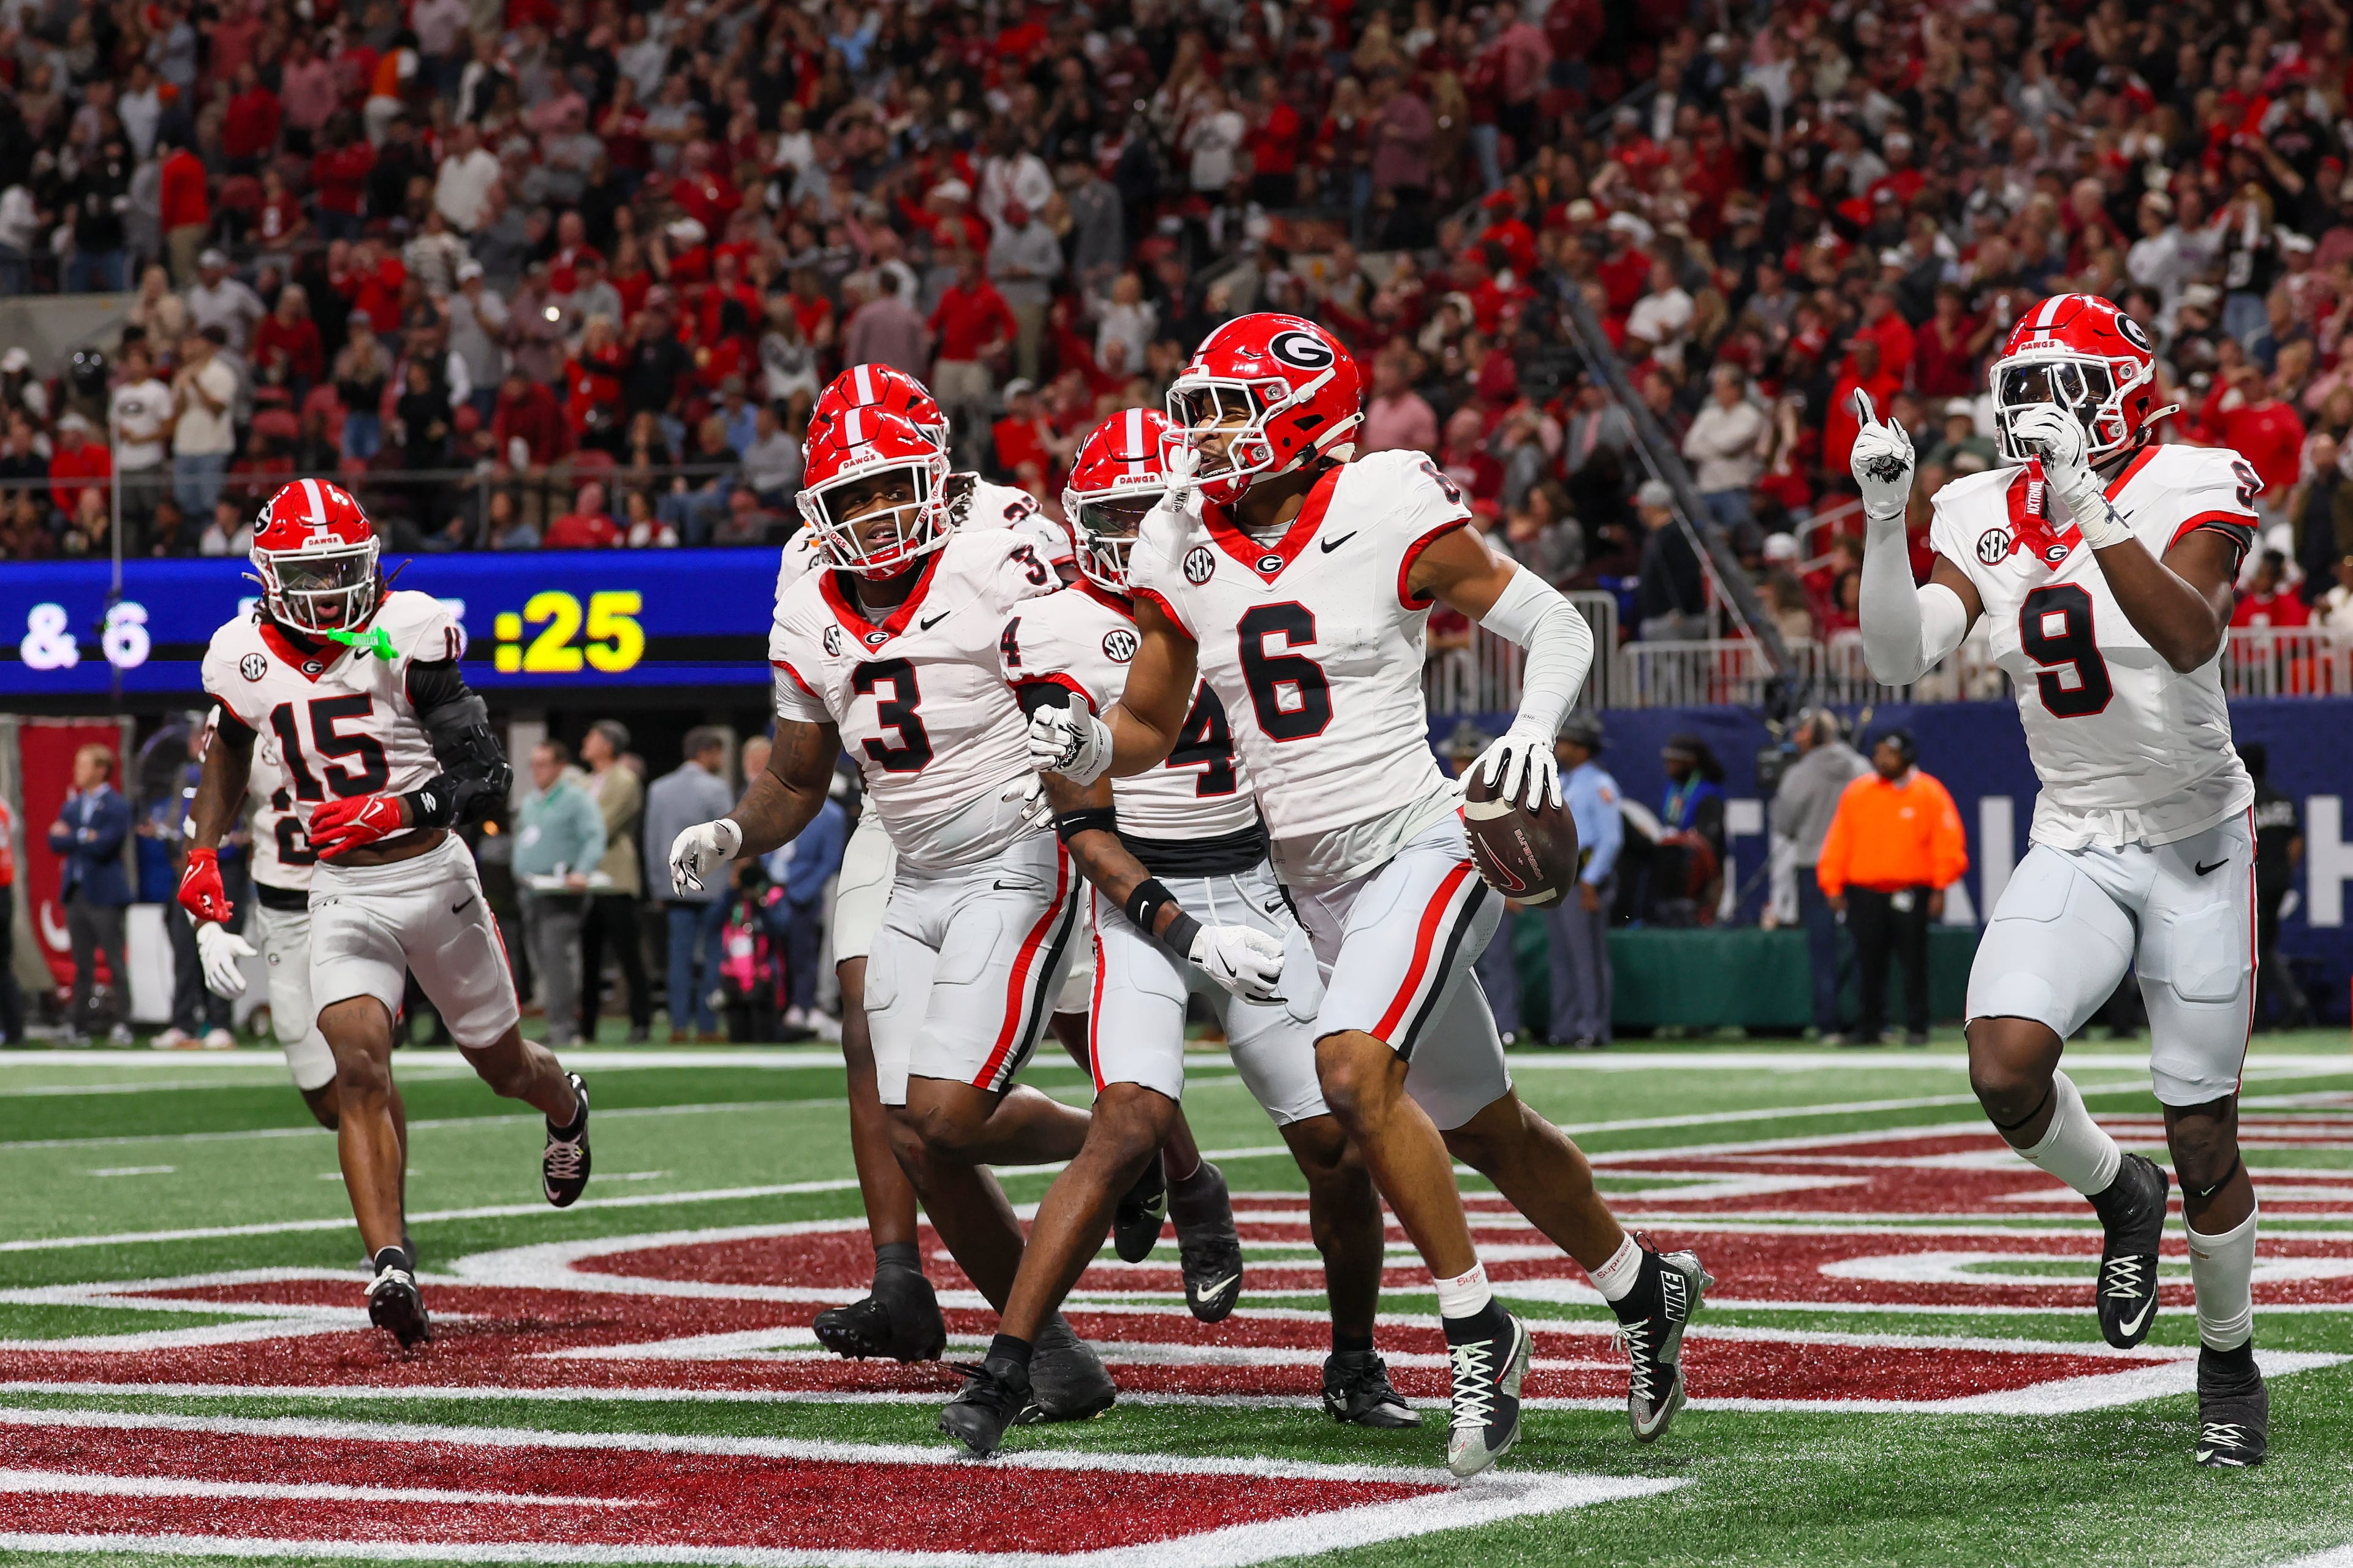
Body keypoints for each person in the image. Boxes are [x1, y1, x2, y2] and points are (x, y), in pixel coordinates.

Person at [1031, 313, 1709, 1475]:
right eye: (1197, 409)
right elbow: (1147, 722)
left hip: (1423, 840)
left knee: (1352, 1073)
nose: (1202, 436)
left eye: (1227, 411)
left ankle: (1477, 1326)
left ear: (1305, 417)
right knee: (1481, 1124)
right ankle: (1646, 1286)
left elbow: (1549, 618)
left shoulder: (1386, 499)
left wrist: (1533, 730)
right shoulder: (1179, 540)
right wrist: (1085, 734)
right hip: (1315, 886)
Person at [940, 409, 1414, 1454]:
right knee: (1124, 1124)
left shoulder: (1248, 580)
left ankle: (1354, 1359)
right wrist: (1184, 933)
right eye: (1105, 515)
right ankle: (1006, 1366)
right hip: (1141, 905)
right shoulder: (1056, 623)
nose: (1122, 537)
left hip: (1257, 886)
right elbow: (1084, 823)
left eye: (1143, 512)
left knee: (1337, 1145)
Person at [1852, 292, 2273, 1465]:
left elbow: (2191, 633)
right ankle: (2115, 1192)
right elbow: (1897, 655)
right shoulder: (1980, 504)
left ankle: (2230, 1359)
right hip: (2079, 831)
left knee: (2205, 1135)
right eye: (2023, 385)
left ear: (2125, 394)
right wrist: (1885, 521)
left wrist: (2091, 510)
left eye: (2062, 384)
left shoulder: (2200, 475)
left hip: (2197, 840)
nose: (2035, 409)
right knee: (2002, 1064)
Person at [668, 407, 1118, 1425]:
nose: (875, 513)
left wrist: (1079, 717)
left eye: (890, 485)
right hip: (913, 861)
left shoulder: (1004, 544)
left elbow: (1107, 660)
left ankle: (1127, 1146)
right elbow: (795, 773)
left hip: (1018, 840)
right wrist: (735, 833)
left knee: (949, 1112)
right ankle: (1053, 1350)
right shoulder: (805, 592)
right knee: (912, 1127)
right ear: (816, 509)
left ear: (941, 475)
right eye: (853, 496)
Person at [182, 479, 589, 1350]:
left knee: (504, 1065)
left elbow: (486, 776)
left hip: (432, 872)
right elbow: (227, 752)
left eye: (341, 568)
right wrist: (198, 857)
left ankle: (566, 1104)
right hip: (342, 889)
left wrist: (398, 810)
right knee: (359, 1064)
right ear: (269, 577)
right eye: (311, 571)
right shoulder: (243, 654)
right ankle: (391, 1264)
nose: (330, 589)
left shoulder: (400, 628)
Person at [1813, 730, 1967, 1047]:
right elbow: (1839, 840)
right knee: (1868, 963)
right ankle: (1869, 1026)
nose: (1882, 759)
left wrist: (1940, 887)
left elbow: (1947, 843)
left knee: (1913, 962)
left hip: (1911, 890)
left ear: (1907, 757)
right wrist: (1832, 884)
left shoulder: (1929, 793)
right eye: (1879, 753)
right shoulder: (1858, 792)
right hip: (1865, 892)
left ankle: (1917, 1026)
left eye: (1890, 753)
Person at [1771, 711, 1870, 1042]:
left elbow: (1784, 823)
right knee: (1862, 946)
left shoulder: (1800, 774)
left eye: (1801, 731)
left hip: (1815, 864)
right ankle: (1866, 1020)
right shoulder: (1860, 766)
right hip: (1857, 865)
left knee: (1822, 948)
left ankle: (1828, 1023)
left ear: (1814, 735)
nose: (1796, 737)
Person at [643, 729, 735, 1042]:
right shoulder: (717, 789)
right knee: (710, 957)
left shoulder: (659, 789)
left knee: (678, 959)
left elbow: (652, 843)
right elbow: (725, 840)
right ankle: (707, 1027)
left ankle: (678, 1026)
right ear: (707, 752)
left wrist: (657, 886)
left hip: (674, 887)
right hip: (711, 888)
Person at [514, 740, 605, 1050]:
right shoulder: (531, 802)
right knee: (541, 964)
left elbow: (595, 837)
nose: (537, 770)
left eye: (543, 764)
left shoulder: (575, 800)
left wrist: (582, 870)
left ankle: (565, 1027)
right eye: (533, 764)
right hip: (531, 893)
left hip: (560, 893)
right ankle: (555, 1024)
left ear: (559, 766)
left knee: (559, 962)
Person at [1546, 712, 1622, 1051]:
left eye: (1567, 742)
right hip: (1562, 879)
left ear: (1582, 749)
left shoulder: (1598, 785)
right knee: (1562, 957)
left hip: (1585, 879)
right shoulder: (1566, 782)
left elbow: (1611, 839)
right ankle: (1565, 1026)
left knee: (1586, 958)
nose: (1560, 747)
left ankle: (1593, 1027)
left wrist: (1592, 880)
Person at [49, 744, 132, 1045]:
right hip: (77, 892)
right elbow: (54, 842)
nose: (77, 771)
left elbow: (105, 845)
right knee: (81, 965)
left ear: (101, 770)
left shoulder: (116, 806)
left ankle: (123, 1023)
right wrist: (84, 836)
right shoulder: (73, 805)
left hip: (106, 894)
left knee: (114, 961)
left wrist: (74, 837)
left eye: (84, 765)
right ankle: (78, 1025)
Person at [760, 765, 849, 1040]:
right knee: (770, 951)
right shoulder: (778, 810)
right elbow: (764, 843)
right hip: (775, 892)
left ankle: (806, 1004)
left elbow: (830, 860)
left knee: (805, 952)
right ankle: (774, 1007)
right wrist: (773, 874)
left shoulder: (832, 816)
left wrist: (802, 889)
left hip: (806, 894)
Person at [577, 721, 651, 1043]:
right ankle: (586, 1026)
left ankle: (641, 1022)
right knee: (587, 957)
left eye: (592, 737)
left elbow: (601, 827)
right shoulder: (584, 782)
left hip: (615, 878)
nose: (586, 742)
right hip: (585, 879)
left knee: (628, 955)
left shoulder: (625, 780)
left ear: (608, 745)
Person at [2243, 744, 2310, 1030]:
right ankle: (2285, 1006)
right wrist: (2284, 873)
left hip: (2253, 882)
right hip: (2278, 882)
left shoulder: (2243, 800)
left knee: (2252, 948)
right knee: (2264, 945)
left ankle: (2270, 1012)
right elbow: (2296, 841)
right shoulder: (2282, 800)